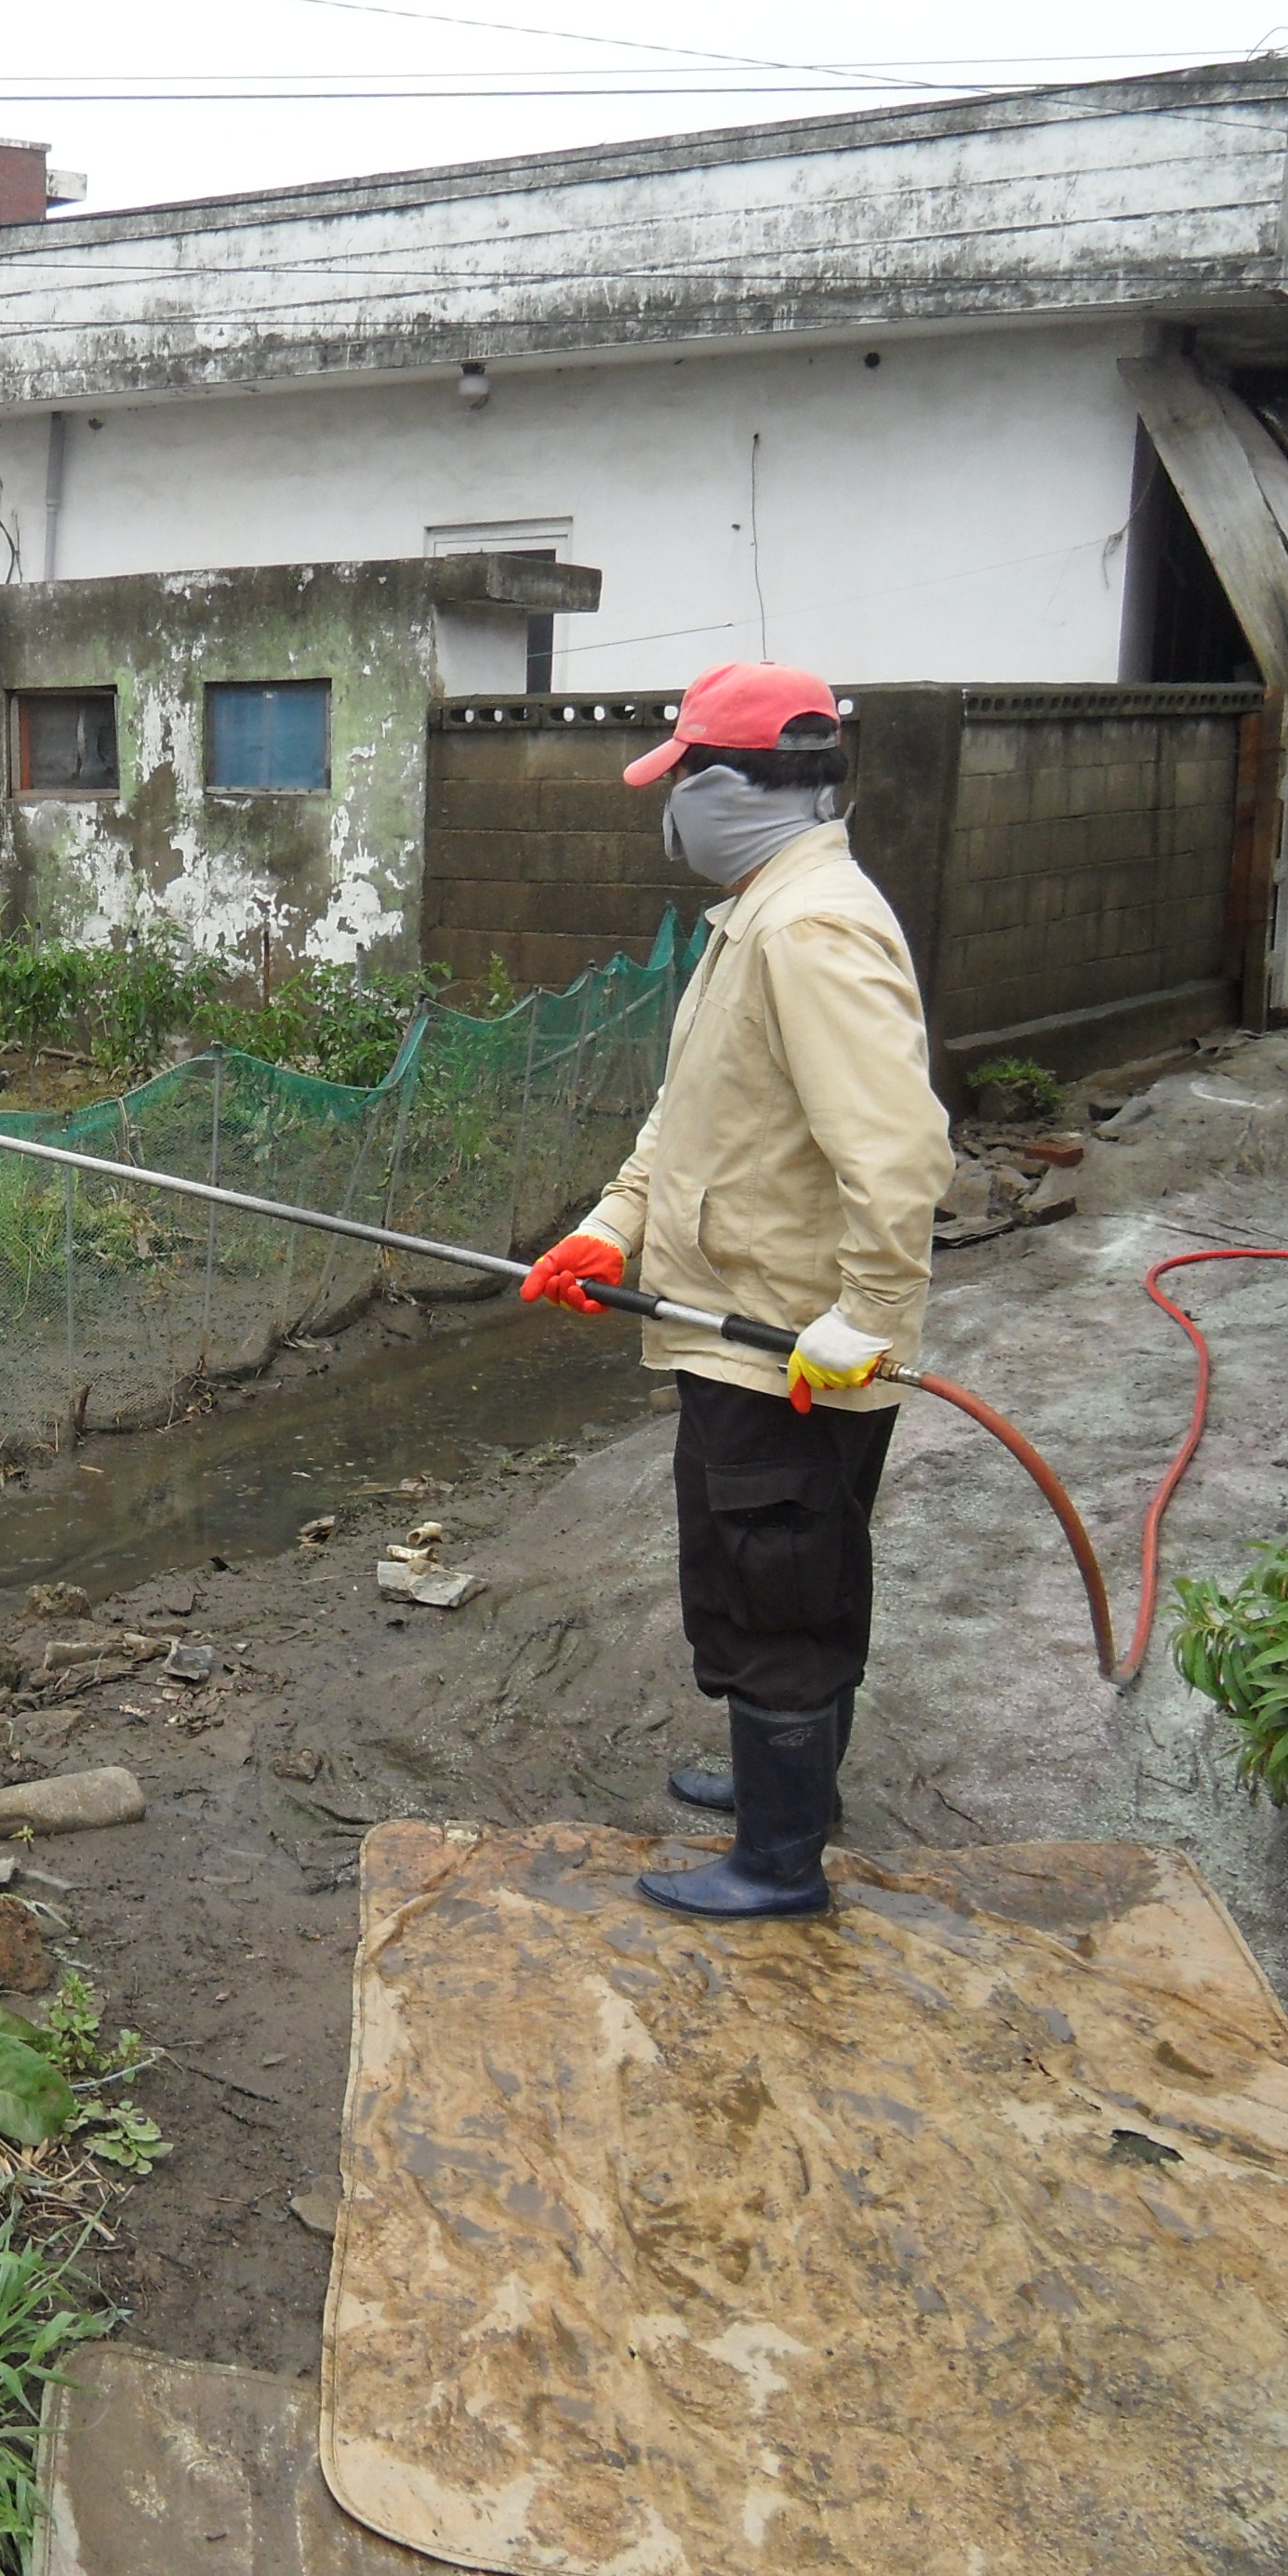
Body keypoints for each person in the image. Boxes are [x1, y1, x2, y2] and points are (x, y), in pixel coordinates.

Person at [518, 662, 953, 1921]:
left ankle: (779, 1861)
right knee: (762, 1567)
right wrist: (613, 1227)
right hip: (739, 1328)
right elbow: (695, 1115)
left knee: (782, 1580)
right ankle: (785, 1795)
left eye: (683, 783)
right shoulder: (764, 911)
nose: (672, 814)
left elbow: (897, 1150)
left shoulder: (811, 928)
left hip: (794, 1345)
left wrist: (865, 1319)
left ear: (736, 788)